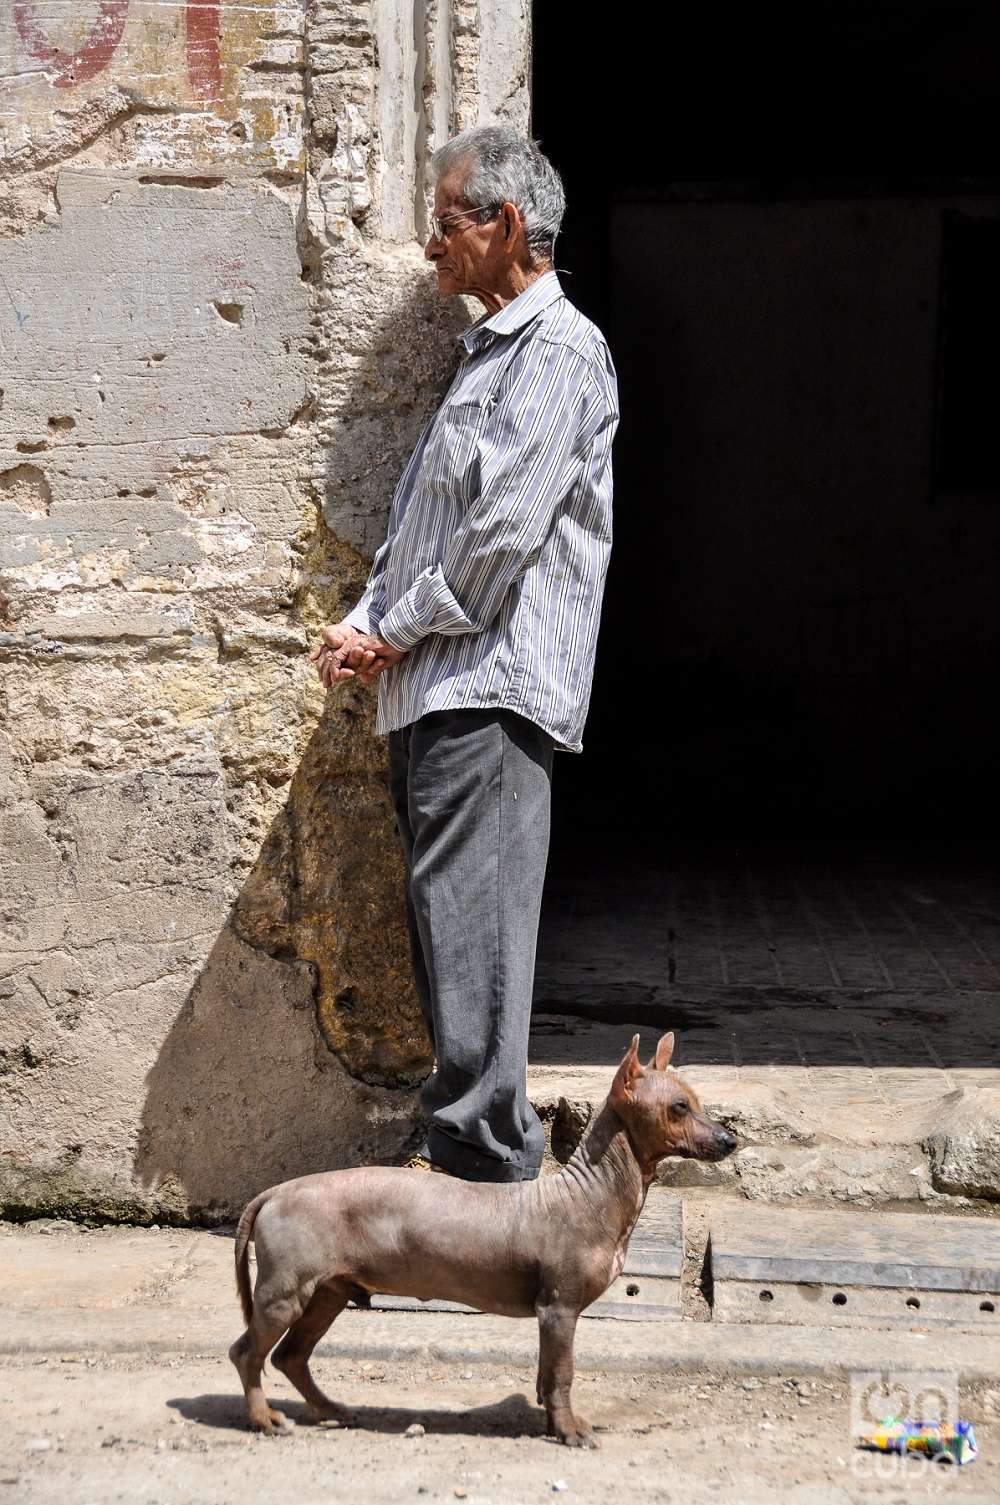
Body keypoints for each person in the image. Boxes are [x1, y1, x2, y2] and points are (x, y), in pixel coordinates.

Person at [310, 125, 619, 1182]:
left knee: (476, 947)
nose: (429, 247)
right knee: (453, 940)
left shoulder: (560, 353)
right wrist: (366, 621)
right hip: (437, 690)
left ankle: (490, 1179)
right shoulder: (489, 353)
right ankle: (478, 1170)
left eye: (445, 225)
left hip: (487, 696)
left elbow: (494, 548)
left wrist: (383, 632)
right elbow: (421, 529)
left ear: (509, 226)